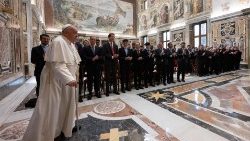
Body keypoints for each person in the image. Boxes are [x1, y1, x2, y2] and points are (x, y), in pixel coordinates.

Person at [23, 24, 81, 141]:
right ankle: (50, 133)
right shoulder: (59, 41)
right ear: (67, 32)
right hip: (56, 81)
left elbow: (74, 62)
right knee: (53, 107)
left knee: (67, 105)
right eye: (75, 33)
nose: (77, 36)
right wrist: (69, 79)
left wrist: (72, 77)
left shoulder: (70, 44)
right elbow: (57, 64)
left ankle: (66, 127)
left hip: (67, 81)